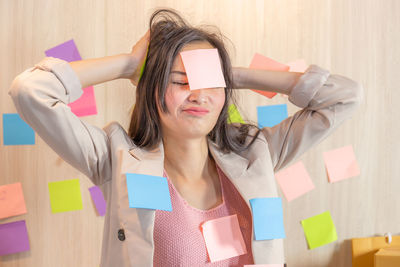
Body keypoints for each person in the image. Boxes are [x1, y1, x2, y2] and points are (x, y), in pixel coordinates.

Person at [8, 8, 363, 267]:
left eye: (211, 83)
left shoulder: (257, 154)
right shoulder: (115, 160)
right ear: (152, 90)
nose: (199, 95)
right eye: (181, 81)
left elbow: (345, 97)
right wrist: (129, 65)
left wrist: (231, 74)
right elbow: (30, 90)